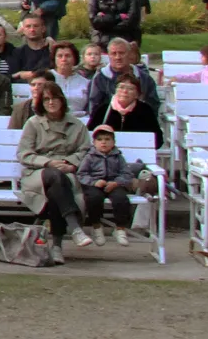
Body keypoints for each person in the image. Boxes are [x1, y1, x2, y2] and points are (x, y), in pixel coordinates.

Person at [17, 81, 93, 257]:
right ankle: (74, 228)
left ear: (62, 100)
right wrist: (48, 163)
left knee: (55, 191)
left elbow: (85, 151)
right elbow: (24, 154)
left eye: (54, 98)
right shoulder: (33, 123)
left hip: (66, 173)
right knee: (55, 177)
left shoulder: (77, 125)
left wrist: (70, 163)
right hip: (37, 174)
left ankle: (57, 248)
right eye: (46, 99)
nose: (51, 102)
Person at [76, 125, 140, 245]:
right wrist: (94, 182)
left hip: (114, 183)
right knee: (94, 198)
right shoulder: (89, 157)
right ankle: (96, 227)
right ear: (94, 143)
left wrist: (117, 182)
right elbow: (81, 174)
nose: (103, 142)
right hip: (95, 184)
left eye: (107, 139)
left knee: (121, 198)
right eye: (99, 139)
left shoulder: (118, 156)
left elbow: (127, 173)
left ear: (113, 142)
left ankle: (120, 228)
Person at [84, 38, 158, 115]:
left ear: (129, 54)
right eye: (114, 53)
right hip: (108, 119)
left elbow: (153, 105)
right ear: (109, 55)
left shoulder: (144, 78)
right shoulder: (100, 78)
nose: (118, 57)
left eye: (121, 53)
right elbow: (94, 107)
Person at [89, 76, 161, 148]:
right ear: (115, 90)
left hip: (137, 150)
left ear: (137, 94)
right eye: (121, 87)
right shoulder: (103, 109)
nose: (125, 91)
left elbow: (157, 139)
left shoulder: (145, 110)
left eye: (130, 88)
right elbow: (90, 134)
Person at [6, 14, 54, 81]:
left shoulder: (52, 49)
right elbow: (10, 76)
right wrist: (20, 74)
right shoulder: (16, 53)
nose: (32, 29)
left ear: (43, 29)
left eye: (36, 26)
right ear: (23, 30)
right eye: (28, 26)